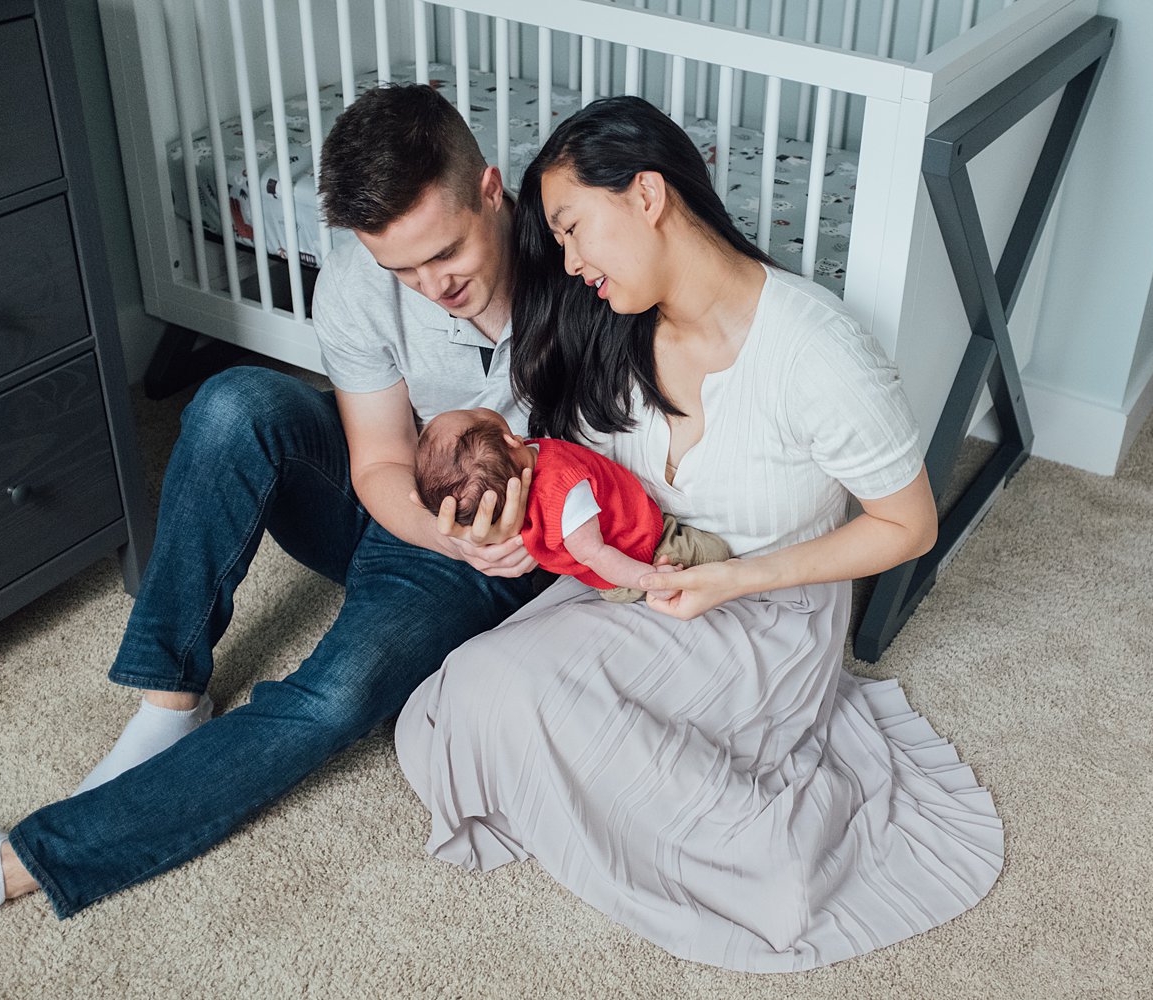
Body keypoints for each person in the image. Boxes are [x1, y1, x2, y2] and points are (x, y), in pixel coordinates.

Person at [394, 96, 1005, 973]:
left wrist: (732, 582)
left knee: (511, 697)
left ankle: (713, 814)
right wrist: (520, 537)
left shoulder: (817, 351)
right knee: (447, 711)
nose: (567, 264)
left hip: (761, 612)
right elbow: (574, 493)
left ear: (647, 195)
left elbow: (908, 527)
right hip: (641, 580)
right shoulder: (607, 325)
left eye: (572, 229)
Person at [0, 84, 538, 919]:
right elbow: (379, 458)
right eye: (401, 266)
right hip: (404, 512)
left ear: (491, 191)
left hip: (501, 555)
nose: (428, 284)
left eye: (445, 253)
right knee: (237, 401)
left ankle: (25, 862)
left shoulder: (577, 265)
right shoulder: (361, 276)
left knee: (334, 696)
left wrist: (480, 546)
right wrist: (432, 531)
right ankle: (172, 701)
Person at [413, 406, 730, 601]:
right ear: (509, 439)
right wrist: (651, 580)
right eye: (473, 412)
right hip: (641, 553)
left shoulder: (522, 459)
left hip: (631, 545)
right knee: (717, 552)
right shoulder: (564, 494)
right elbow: (596, 554)